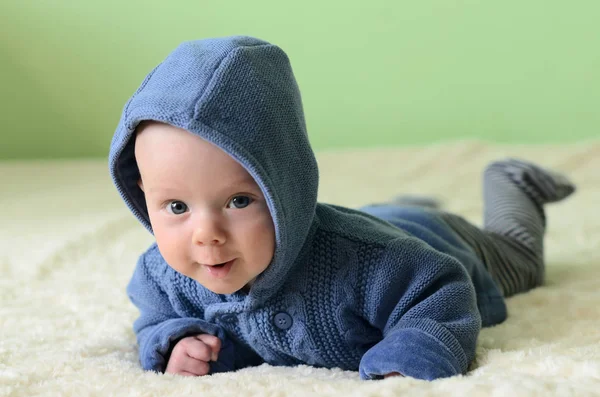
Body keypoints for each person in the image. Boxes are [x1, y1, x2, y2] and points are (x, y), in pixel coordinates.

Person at [108, 36, 575, 381]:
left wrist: (409, 360)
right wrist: (174, 339)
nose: (206, 234)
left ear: (285, 189)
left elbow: (442, 292)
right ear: (141, 191)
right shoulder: (162, 276)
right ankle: (399, 205)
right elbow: (153, 320)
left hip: (437, 239)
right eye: (175, 206)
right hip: (371, 218)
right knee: (377, 216)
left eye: (239, 201)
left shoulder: (371, 263)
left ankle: (511, 184)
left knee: (523, 259)